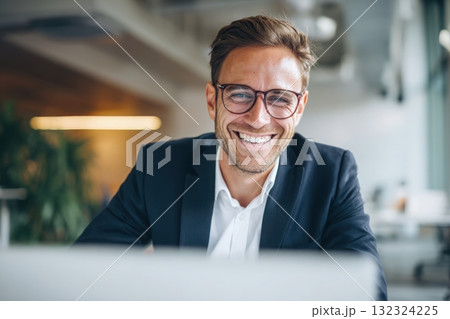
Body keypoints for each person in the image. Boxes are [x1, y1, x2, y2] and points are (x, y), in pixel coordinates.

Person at [75, 15, 387, 300]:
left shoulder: (331, 176)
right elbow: (84, 274)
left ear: (300, 107)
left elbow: (366, 295)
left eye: (280, 98)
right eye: (239, 93)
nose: (258, 118)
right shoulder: (159, 166)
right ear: (213, 100)